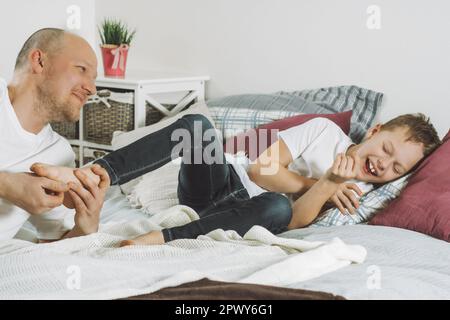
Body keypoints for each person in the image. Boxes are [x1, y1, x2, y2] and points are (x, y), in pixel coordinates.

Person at [31, 112, 441, 246]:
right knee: (196, 125)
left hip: (252, 215)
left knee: (277, 206)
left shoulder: (369, 192)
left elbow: (295, 221)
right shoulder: (324, 132)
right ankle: (91, 173)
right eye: (386, 151)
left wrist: (328, 187)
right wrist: (322, 182)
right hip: (220, 184)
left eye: (397, 168)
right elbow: (262, 169)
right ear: (374, 132)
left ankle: (163, 240)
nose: (383, 167)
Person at [0, 28, 109, 241]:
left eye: (93, 78)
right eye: (81, 69)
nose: (92, 88)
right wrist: (6, 185)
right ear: (39, 61)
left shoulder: (58, 155)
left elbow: (54, 243)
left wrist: (86, 225)